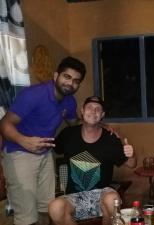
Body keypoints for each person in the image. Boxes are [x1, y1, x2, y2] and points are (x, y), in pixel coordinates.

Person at [0, 56, 86, 225]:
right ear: (56, 76)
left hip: (45, 155)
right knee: (27, 216)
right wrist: (23, 140)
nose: (70, 83)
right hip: (19, 153)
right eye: (67, 77)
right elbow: (4, 124)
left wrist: (102, 125)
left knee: (47, 210)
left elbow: (75, 122)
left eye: (76, 81)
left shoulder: (69, 101)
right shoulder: (33, 95)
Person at [48, 96, 137, 225]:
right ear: (82, 111)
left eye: (97, 109)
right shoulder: (68, 135)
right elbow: (53, 148)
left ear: (102, 115)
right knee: (55, 207)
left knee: (112, 200)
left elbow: (132, 163)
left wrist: (131, 153)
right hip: (74, 198)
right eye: (89, 108)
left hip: (101, 195)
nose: (93, 111)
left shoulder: (110, 139)